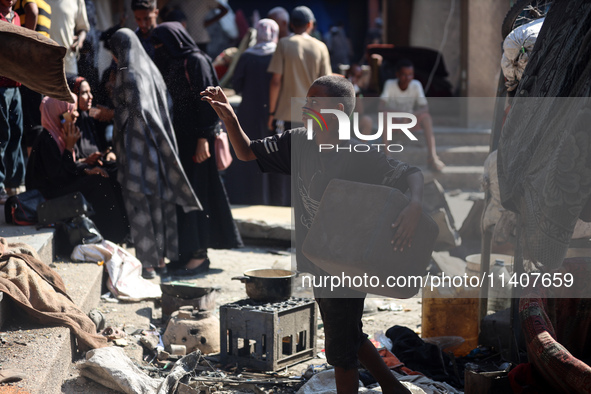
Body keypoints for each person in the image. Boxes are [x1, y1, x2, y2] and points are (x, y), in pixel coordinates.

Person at [202, 76, 419, 394]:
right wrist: (229, 117)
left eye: (315, 101)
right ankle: (392, 387)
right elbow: (247, 153)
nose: (306, 105)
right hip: (319, 255)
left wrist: (414, 206)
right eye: (307, 99)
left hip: (349, 262)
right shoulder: (299, 141)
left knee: (340, 352)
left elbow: (410, 173)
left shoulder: (358, 151)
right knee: (347, 332)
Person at [109, 28, 201, 279]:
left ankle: (147, 266)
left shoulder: (127, 72)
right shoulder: (152, 70)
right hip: (158, 146)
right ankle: (160, 261)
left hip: (135, 148)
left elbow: (131, 110)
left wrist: (113, 116)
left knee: (139, 204)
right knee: (158, 204)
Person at [151, 22, 242, 276]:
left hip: (197, 143)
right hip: (180, 142)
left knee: (198, 196)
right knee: (183, 198)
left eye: (160, 43)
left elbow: (209, 101)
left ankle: (199, 256)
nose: (158, 49)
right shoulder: (174, 61)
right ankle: (185, 253)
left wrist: (204, 137)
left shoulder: (196, 61)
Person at [25, 95, 129, 244]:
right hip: (47, 195)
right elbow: (58, 177)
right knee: (98, 183)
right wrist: (69, 147)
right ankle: (111, 237)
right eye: (70, 111)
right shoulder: (46, 139)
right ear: (58, 113)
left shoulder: (58, 135)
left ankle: (120, 235)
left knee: (107, 174)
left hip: (58, 185)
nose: (76, 114)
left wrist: (85, 169)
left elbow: (67, 168)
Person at [267, 6, 331, 206]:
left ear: (291, 25)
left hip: (287, 113)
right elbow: (327, 83)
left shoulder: (284, 44)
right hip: (314, 114)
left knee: (288, 162)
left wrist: (271, 112)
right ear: (310, 25)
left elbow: (276, 81)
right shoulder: (320, 47)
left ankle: (287, 205)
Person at [227, 18, 279, 205]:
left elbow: (237, 84)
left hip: (249, 111)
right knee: (272, 151)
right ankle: (271, 198)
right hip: (272, 112)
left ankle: (249, 196)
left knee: (249, 151)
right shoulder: (278, 55)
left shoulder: (247, 56)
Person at [380, 59, 445, 172]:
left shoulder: (416, 85)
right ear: (398, 75)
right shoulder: (390, 84)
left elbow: (425, 107)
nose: (408, 78)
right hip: (394, 122)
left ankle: (432, 157)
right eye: (404, 75)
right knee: (384, 117)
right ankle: (388, 158)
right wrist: (403, 114)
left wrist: (410, 115)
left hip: (409, 122)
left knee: (426, 118)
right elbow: (380, 107)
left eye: (410, 74)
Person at [0, 1, 26, 203]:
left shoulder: (16, 17)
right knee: (2, 134)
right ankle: (0, 185)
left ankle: (14, 183)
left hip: (15, 85)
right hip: (0, 84)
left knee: (16, 132)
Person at [46, 0, 89, 77]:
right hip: (43, 62)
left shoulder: (77, 1)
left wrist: (80, 41)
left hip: (68, 62)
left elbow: (82, 28)